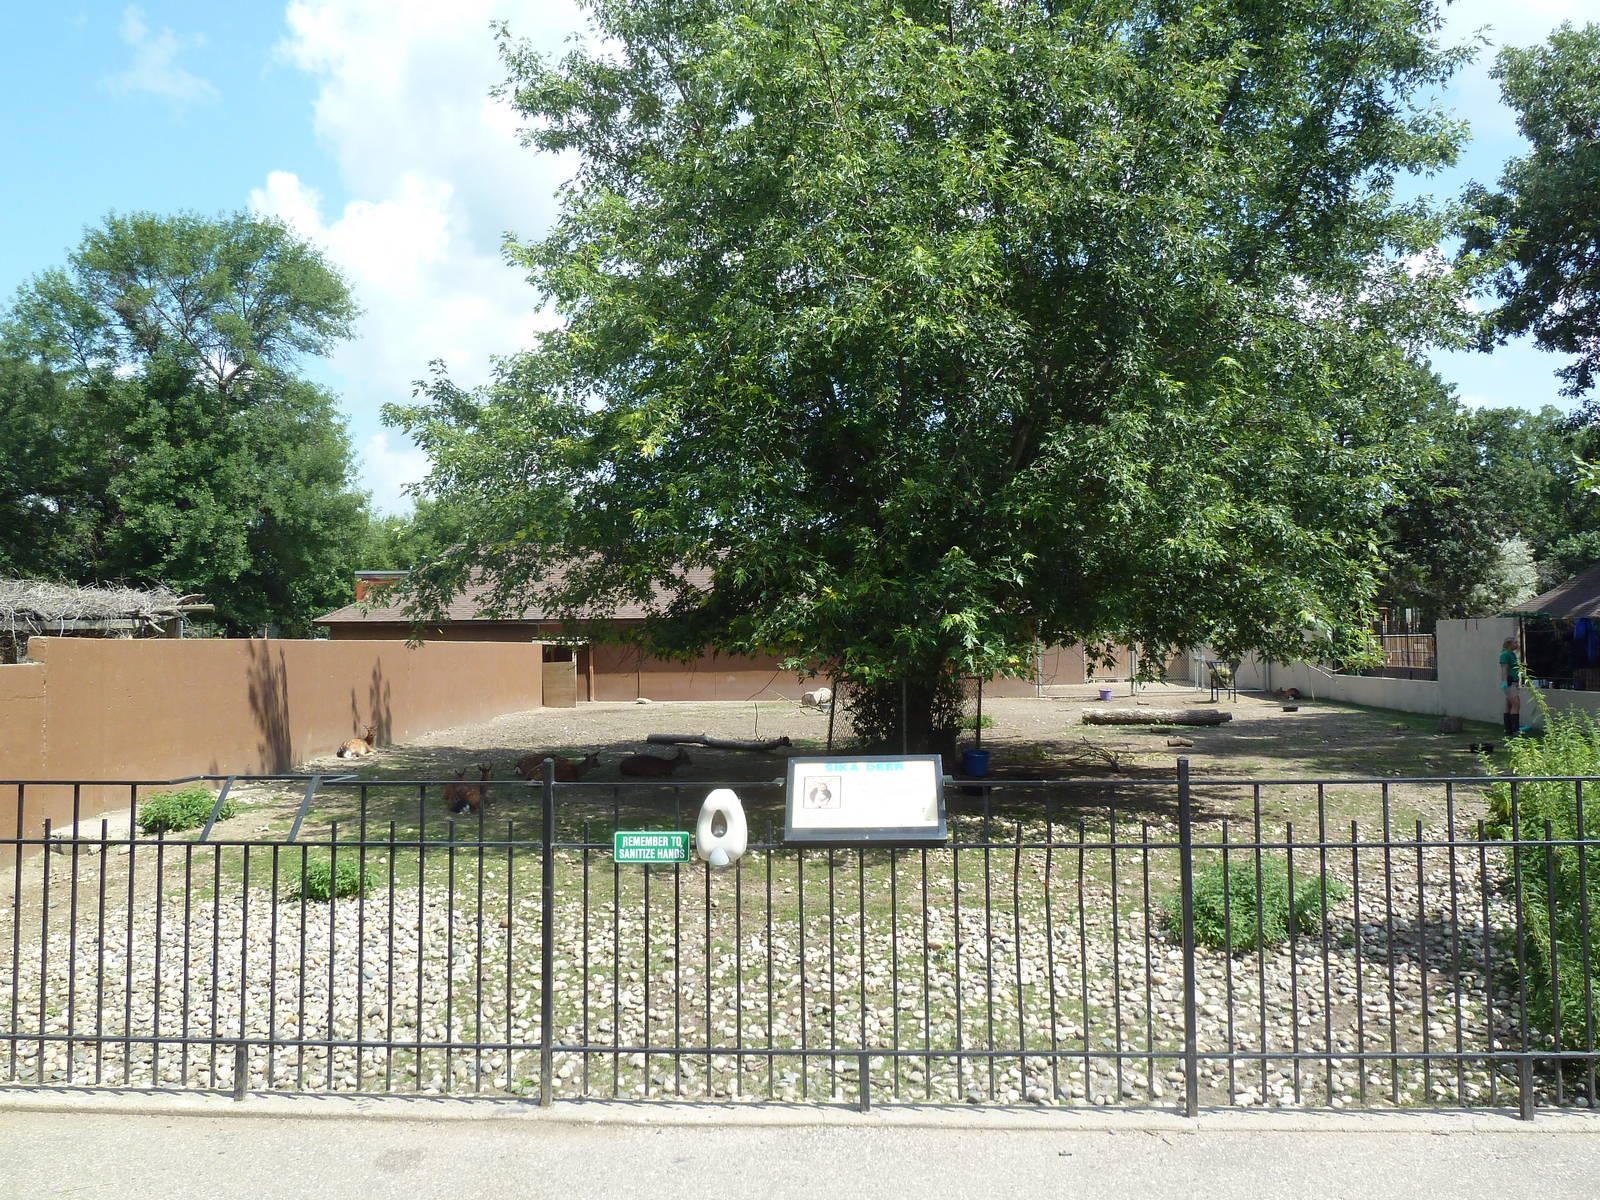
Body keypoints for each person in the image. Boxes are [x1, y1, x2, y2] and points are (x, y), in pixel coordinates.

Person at [1499, 636, 1522, 736]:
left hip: (1514, 682)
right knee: (1516, 704)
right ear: (1509, 644)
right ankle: (1515, 730)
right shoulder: (1505, 655)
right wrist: (1505, 682)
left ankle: (1508, 730)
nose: (1517, 645)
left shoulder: (1512, 654)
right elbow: (1504, 669)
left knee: (1509, 704)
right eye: (1515, 643)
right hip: (1510, 682)